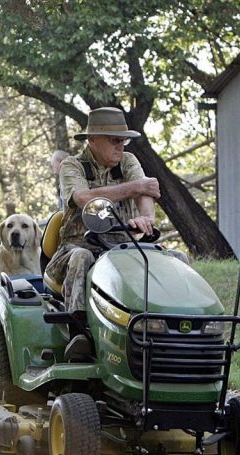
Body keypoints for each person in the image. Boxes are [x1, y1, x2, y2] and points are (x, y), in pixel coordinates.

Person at [45, 107, 160, 316]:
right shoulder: (72, 166)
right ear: (93, 139)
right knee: (82, 256)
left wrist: (147, 217)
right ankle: (77, 330)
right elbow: (84, 199)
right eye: (113, 140)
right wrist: (136, 187)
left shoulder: (127, 161)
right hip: (76, 249)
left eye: (123, 141)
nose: (120, 146)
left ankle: (176, 325)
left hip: (123, 249)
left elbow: (145, 193)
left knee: (173, 257)